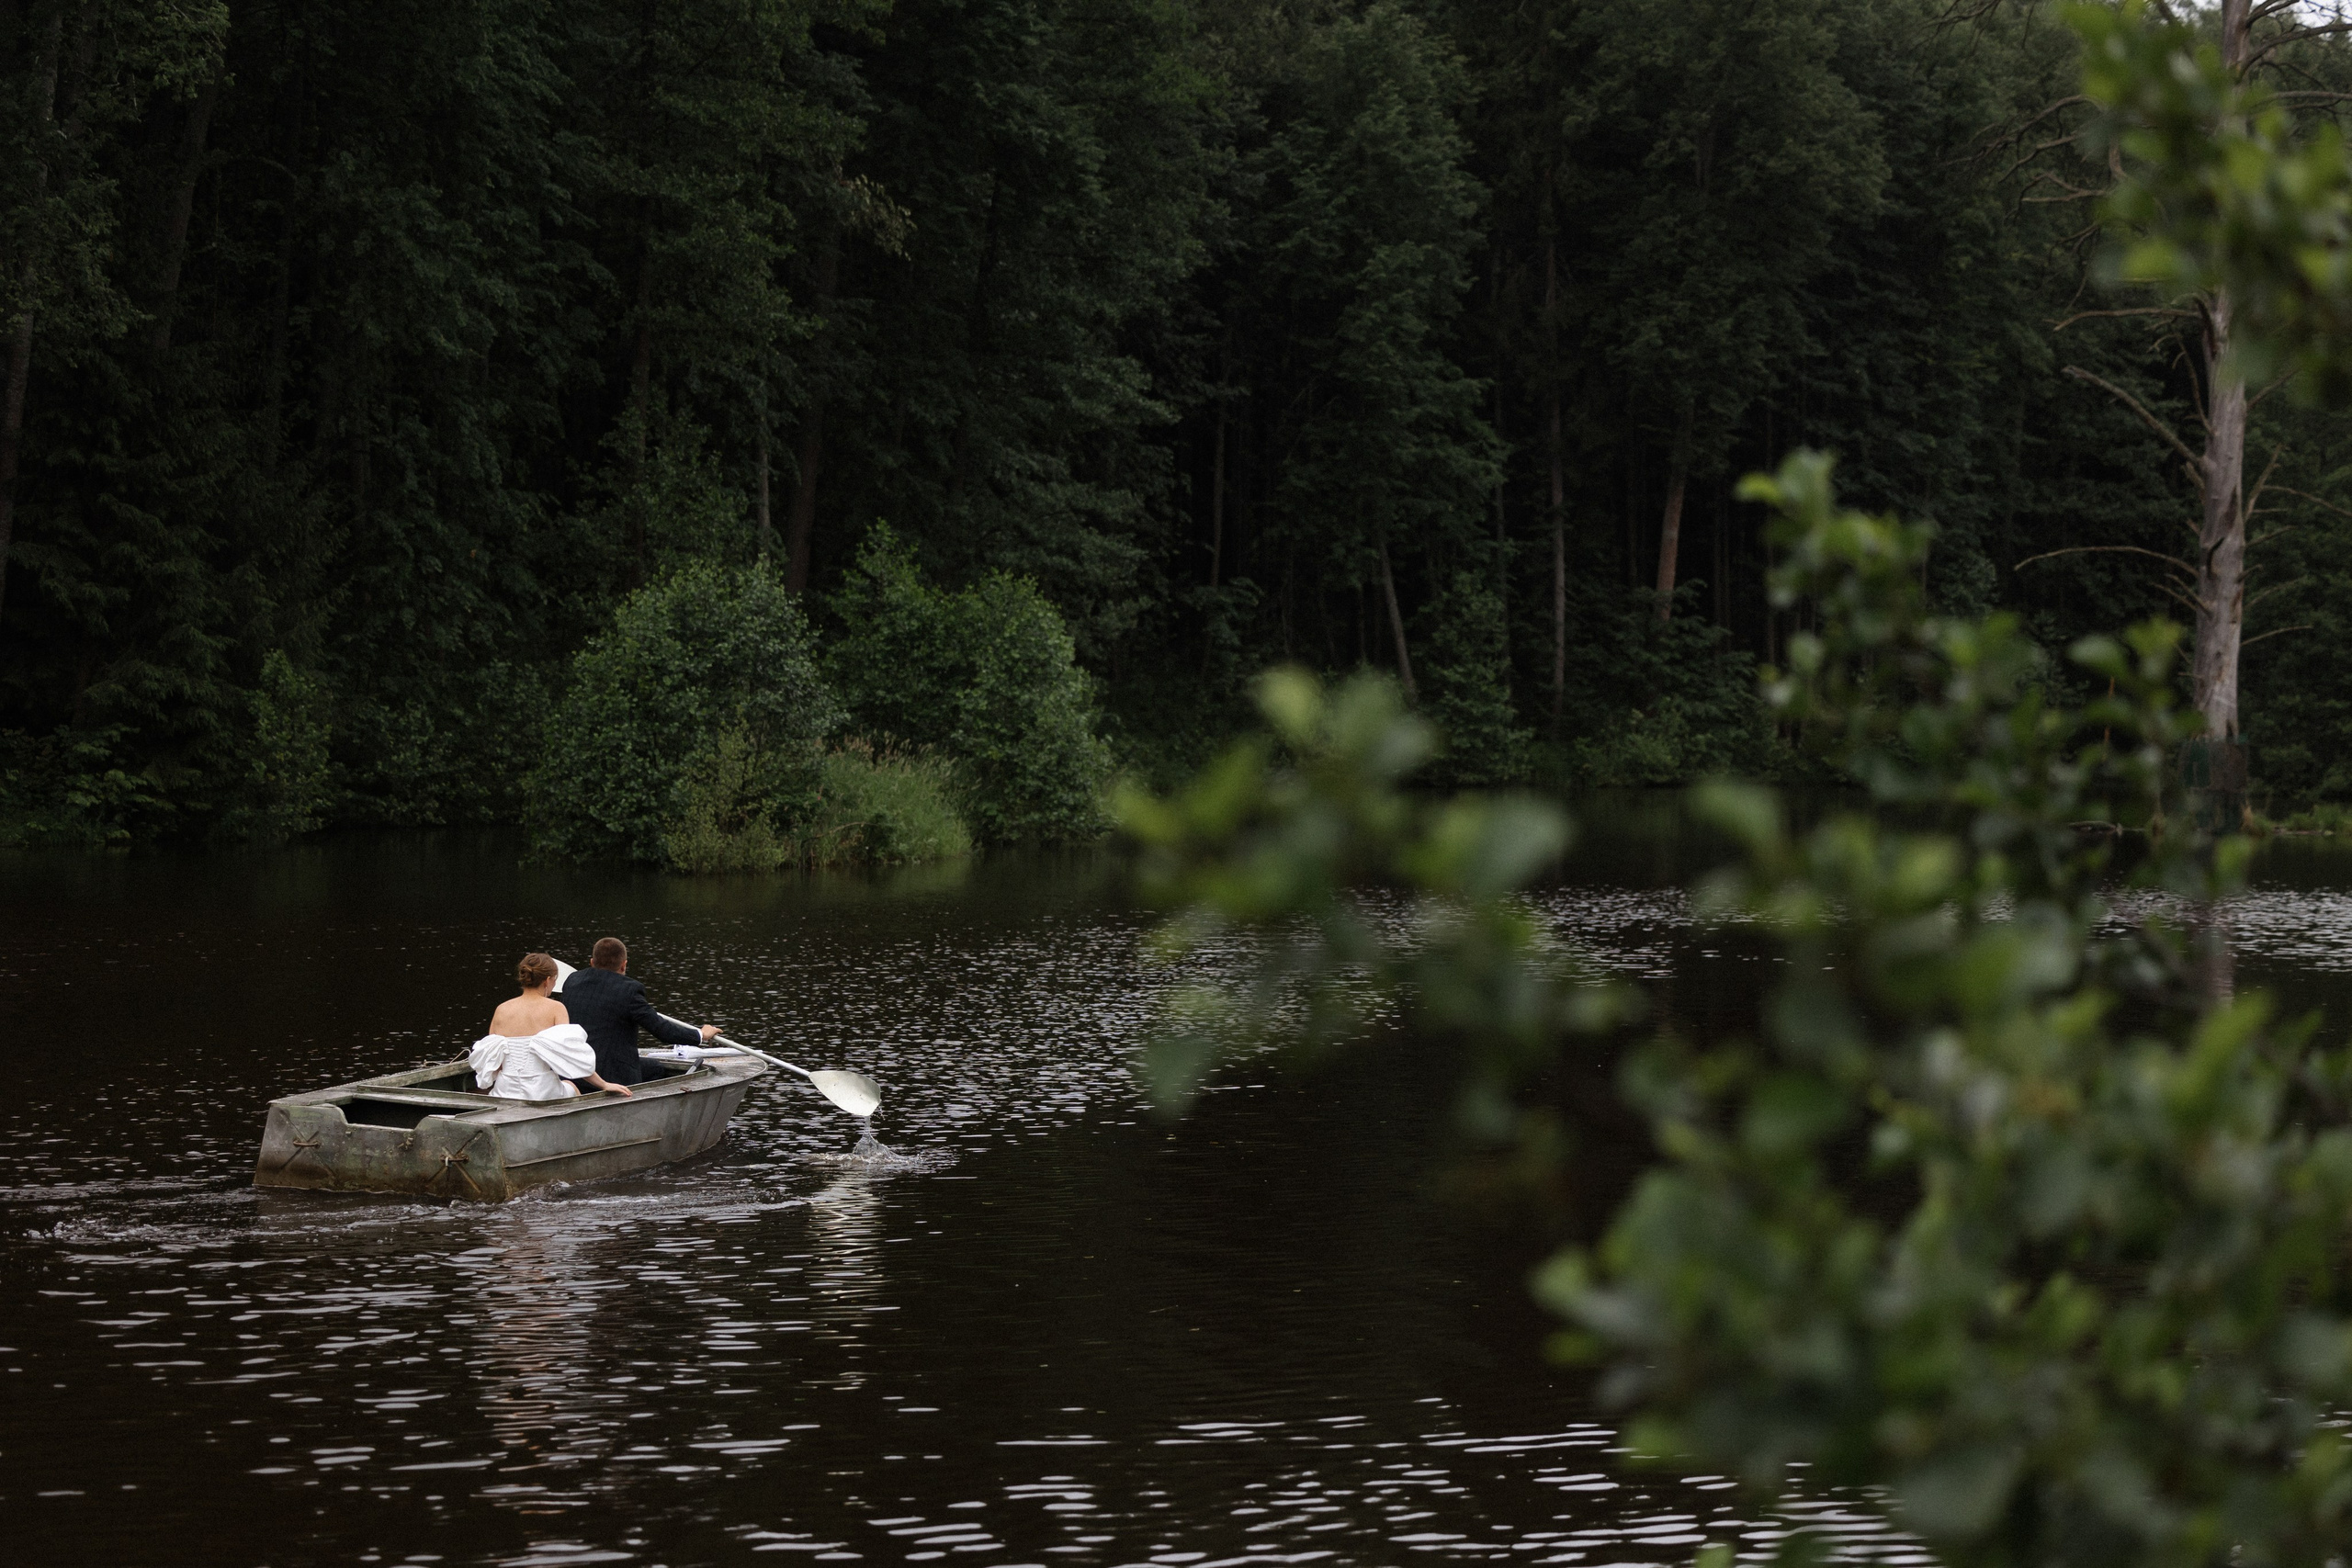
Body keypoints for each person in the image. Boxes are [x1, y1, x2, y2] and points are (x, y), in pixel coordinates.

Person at [555, 936, 719, 1090]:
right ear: (624, 965)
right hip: (612, 1075)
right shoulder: (630, 990)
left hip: (573, 1071)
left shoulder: (572, 981)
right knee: (656, 1069)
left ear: (592, 962)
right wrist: (701, 1034)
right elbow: (663, 1031)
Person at [471, 953, 635, 1100]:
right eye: (555, 981)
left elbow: (496, 1063)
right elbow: (570, 1057)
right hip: (541, 1090)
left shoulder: (501, 1009)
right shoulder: (556, 1008)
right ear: (548, 980)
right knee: (571, 1086)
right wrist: (604, 1084)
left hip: (505, 1090)